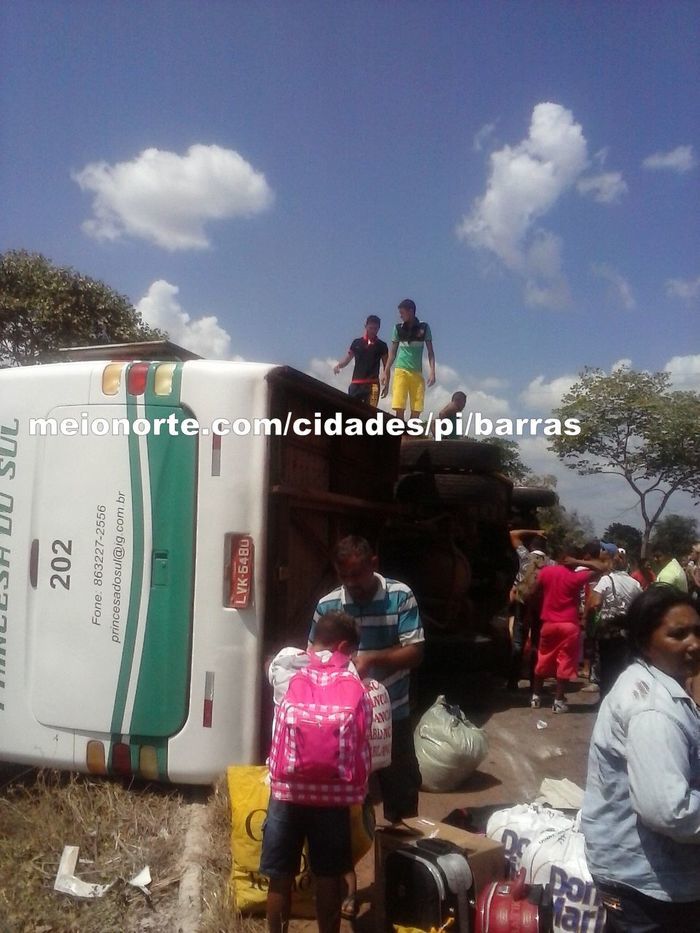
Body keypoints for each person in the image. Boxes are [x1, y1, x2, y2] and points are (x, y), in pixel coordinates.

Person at [581, 586, 700, 931]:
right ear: (646, 641)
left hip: (641, 871)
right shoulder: (654, 709)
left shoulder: (656, 683)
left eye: (698, 631)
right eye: (678, 634)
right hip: (645, 884)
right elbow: (668, 810)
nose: (694, 643)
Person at [261, 611, 372, 933]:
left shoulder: (287, 668)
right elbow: (363, 736)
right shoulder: (352, 678)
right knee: (328, 876)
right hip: (333, 794)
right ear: (342, 646)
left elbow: (270, 667)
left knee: (279, 878)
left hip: (287, 791)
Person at [310, 535, 424, 823]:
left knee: (401, 798)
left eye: (357, 574)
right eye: (344, 575)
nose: (351, 582)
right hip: (344, 722)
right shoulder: (328, 605)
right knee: (348, 805)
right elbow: (313, 655)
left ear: (374, 563)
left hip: (391, 717)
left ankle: (401, 859)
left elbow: (415, 651)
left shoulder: (400, 595)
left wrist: (372, 660)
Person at [530, 542, 610, 712]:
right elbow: (603, 568)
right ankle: (558, 701)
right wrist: (580, 562)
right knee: (564, 662)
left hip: (548, 623)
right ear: (573, 559)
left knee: (542, 659)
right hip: (569, 625)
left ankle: (535, 697)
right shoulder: (576, 577)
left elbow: (532, 591)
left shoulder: (546, 572)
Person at [585, 547, 642, 696]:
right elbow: (640, 604)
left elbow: (595, 603)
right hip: (626, 629)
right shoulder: (635, 583)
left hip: (607, 629)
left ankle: (605, 697)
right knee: (622, 666)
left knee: (606, 666)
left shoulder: (606, 580)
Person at [506, 529, 552, 691]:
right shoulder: (551, 564)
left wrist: (535, 531)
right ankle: (535, 682)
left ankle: (512, 682)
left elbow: (513, 534)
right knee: (537, 645)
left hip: (522, 604)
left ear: (531, 547)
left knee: (518, 642)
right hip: (541, 607)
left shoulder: (525, 557)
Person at [381, 298, 436, 419]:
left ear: (411, 311)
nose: (400, 316)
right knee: (399, 406)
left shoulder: (424, 327)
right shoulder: (398, 328)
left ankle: (410, 436)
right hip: (401, 370)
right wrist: (385, 371)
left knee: (417, 408)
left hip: (417, 372)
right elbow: (392, 353)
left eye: (402, 313)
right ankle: (399, 436)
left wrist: (432, 371)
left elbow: (430, 352)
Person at [333, 315, 388, 406]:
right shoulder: (357, 343)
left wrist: (387, 384)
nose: (373, 331)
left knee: (370, 414)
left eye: (376, 328)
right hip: (356, 383)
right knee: (351, 412)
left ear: (379, 328)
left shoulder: (382, 345)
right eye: (371, 328)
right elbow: (348, 358)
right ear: (365, 326)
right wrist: (339, 365)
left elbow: (386, 365)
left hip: (372, 384)